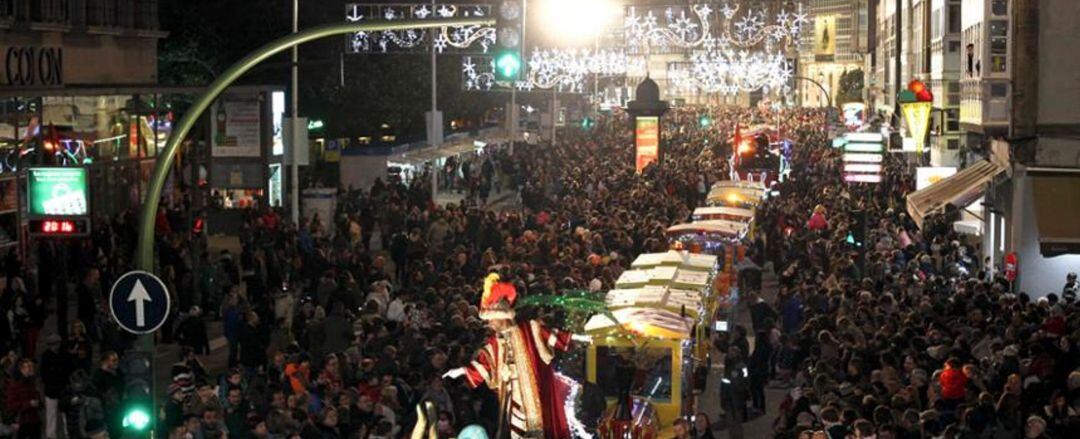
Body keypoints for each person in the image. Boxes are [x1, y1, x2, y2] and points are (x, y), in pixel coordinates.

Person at [443, 273, 575, 438]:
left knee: (533, 425)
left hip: (531, 392)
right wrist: (462, 370)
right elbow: (485, 362)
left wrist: (579, 338)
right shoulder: (495, 341)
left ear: (501, 317)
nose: (490, 324)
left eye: (492, 320)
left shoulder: (528, 329)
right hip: (511, 393)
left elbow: (551, 336)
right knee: (514, 427)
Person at [5, 359, 43, 439]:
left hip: (35, 422)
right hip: (22, 424)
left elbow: (39, 402)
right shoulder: (15, 386)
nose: (31, 369)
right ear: (21, 370)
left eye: (32, 366)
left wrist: (38, 403)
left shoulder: (33, 384)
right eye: (28, 367)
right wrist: (29, 404)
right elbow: (11, 405)